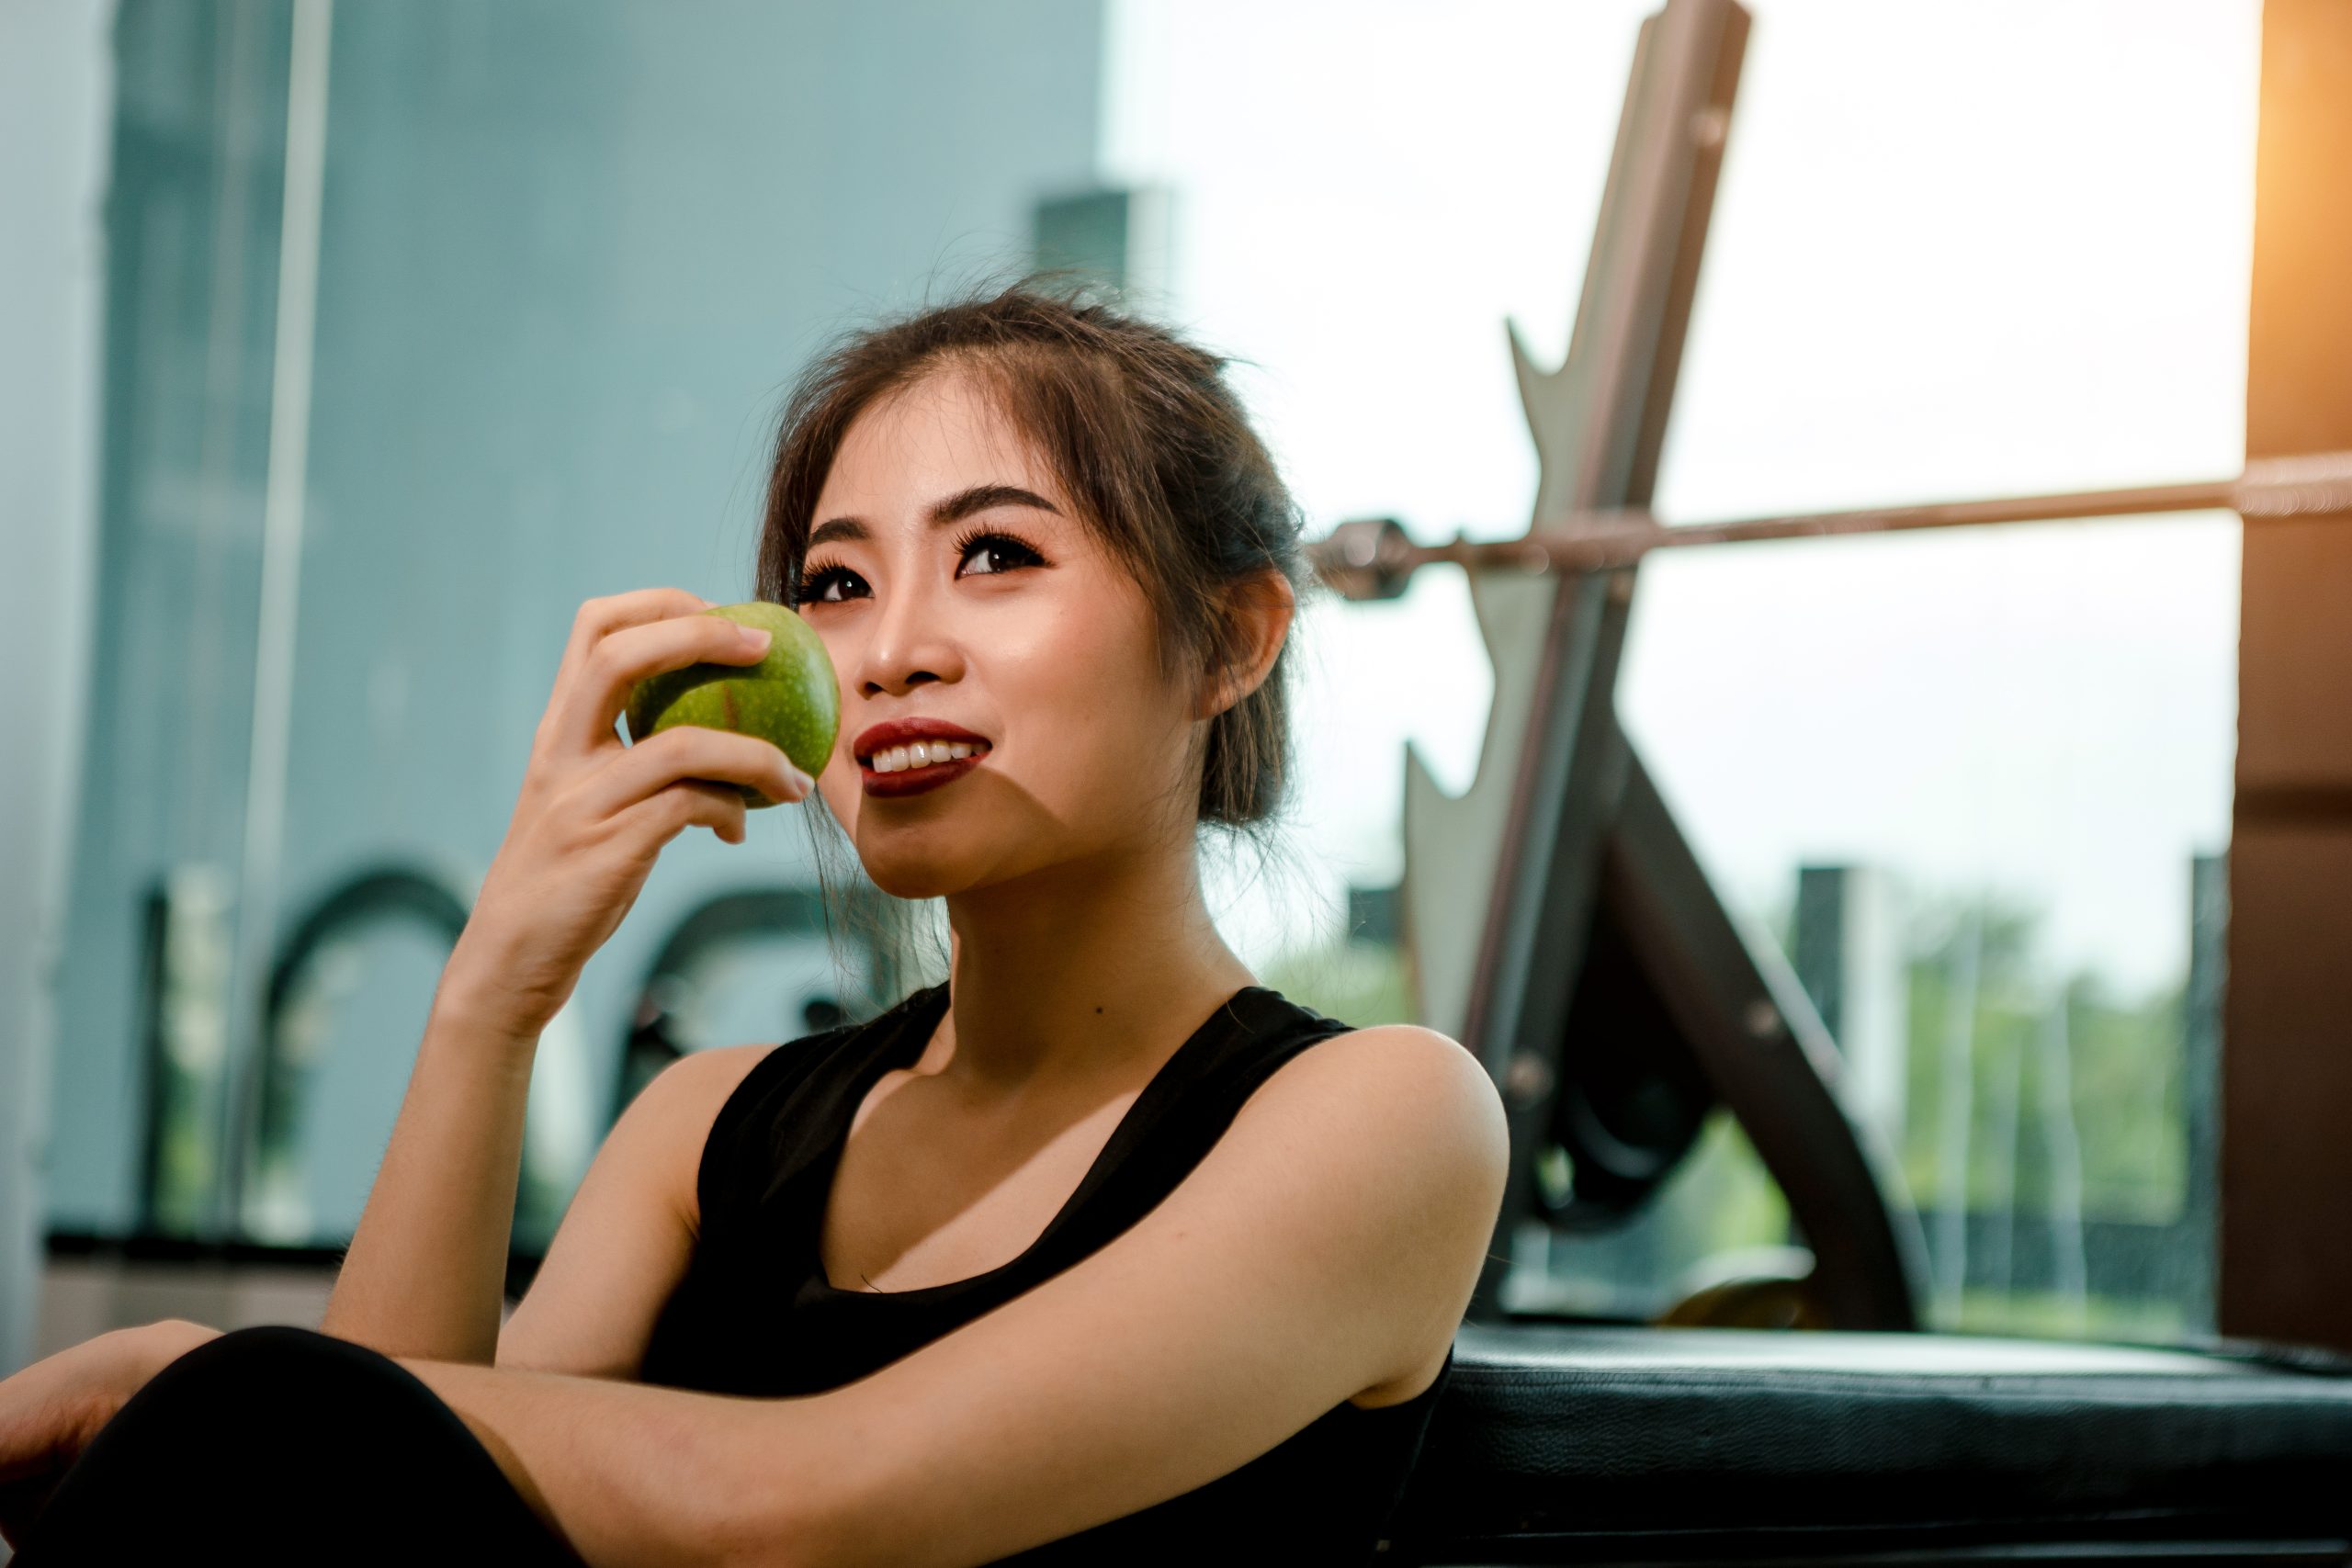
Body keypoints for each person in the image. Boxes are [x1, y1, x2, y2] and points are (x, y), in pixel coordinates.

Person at [0, 280, 1509, 1566]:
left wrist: (205, 1374)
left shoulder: (1387, 1119)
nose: (893, 652)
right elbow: (360, 1523)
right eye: (835, 584)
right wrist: (495, 992)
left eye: (997, 554)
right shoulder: (706, 1131)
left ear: (1230, 641)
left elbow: (804, 1511)